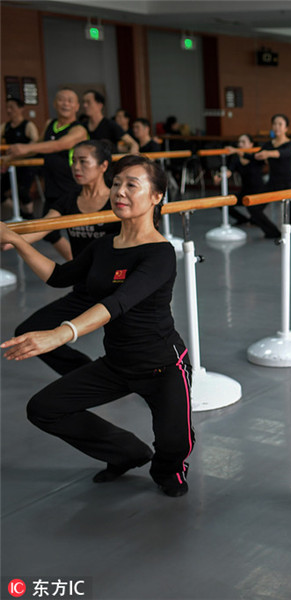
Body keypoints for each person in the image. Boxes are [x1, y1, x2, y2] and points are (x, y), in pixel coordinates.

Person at [0, 154, 195, 497]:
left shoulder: (160, 253)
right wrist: (17, 240)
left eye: (131, 184)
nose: (119, 191)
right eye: (116, 184)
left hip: (162, 365)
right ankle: (126, 452)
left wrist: (60, 333)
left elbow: (117, 303)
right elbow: (59, 277)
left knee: (174, 443)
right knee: (44, 409)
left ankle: (168, 469)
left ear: (156, 196)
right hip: (117, 363)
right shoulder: (104, 246)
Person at [8, 140, 121, 376]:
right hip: (85, 289)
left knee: (130, 346)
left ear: (103, 166)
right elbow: (39, 229)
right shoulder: (68, 199)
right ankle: (88, 374)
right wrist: (9, 238)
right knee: (27, 331)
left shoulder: (117, 201)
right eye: (73, 161)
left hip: (119, 288)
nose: (76, 167)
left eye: (83, 161)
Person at [5, 88, 89, 260]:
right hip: (52, 189)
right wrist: (15, 154)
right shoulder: (50, 124)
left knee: (82, 234)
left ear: (76, 106)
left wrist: (25, 147)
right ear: (54, 103)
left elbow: (59, 145)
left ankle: (83, 266)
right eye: (61, 100)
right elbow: (39, 145)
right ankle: (75, 265)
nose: (65, 103)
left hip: (74, 189)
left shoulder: (79, 129)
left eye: (69, 100)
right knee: (50, 233)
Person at [214, 134, 280, 238]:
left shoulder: (256, 157)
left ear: (251, 144)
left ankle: (274, 233)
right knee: (221, 202)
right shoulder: (236, 160)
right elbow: (229, 171)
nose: (240, 144)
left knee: (253, 210)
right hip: (245, 193)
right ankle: (243, 219)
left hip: (260, 193)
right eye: (239, 142)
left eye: (243, 142)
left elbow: (269, 161)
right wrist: (220, 176)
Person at [255, 114, 291, 228]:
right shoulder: (269, 145)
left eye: (280, 124)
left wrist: (268, 154)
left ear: (286, 128)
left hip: (288, 182)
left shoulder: (289, 144)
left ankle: (287, 232)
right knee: (254, 208)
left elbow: (284, 153)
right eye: (274, 124)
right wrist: (239, 152)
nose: (277, 127)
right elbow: (256, 157)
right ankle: (273, 232)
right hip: (273, 182)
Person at [1, 97, 40, 216]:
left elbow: (36, 143)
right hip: (10, 164)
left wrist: (22, 151)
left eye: (12, 107)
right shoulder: (5, 126)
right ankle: (20, 213)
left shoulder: (28, 125)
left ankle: (29, 215)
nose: (9, 110)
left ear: (21, 108)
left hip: (26, 164)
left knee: (22, 191)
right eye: (7, 107)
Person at [81, 90, 139, 154]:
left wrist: (132, 156)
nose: (85, 105)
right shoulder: (82, 126)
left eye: (88, 102)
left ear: (99, 105)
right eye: (84, 102)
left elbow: (133, 144)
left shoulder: (110, 125)